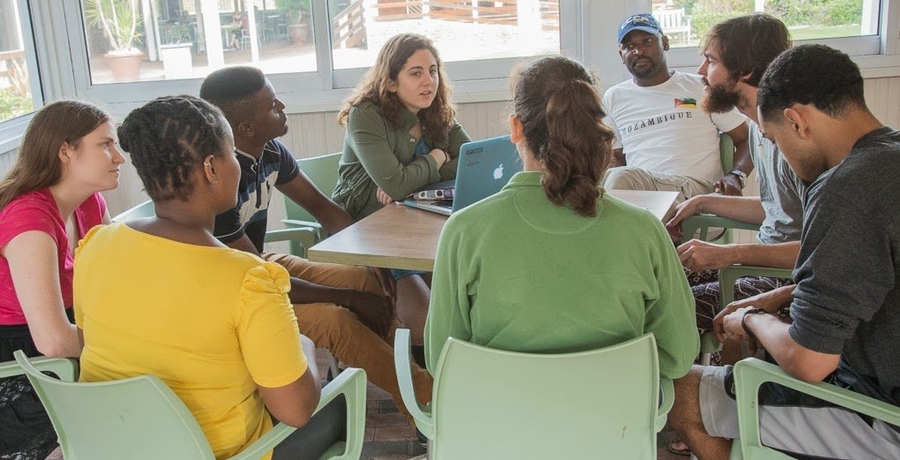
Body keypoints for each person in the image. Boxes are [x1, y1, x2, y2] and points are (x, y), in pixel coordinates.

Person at [671, 43, 900, 460]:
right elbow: (875, 274)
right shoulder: (890, 159)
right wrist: (779, 295)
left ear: (796, 121)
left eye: (774, 138)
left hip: (884, 418)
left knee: (682, 391)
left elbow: (810, 362)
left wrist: (752, 317)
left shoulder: (845, 188)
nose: (784, 157)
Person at [75, 95, 330, 460]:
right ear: (211, 168)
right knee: (335, 402)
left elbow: (92, 348)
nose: (238, 166)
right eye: (232, 154)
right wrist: (304, 347)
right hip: (217, 452)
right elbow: (296, 410)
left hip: (117, 445)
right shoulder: (248, 279)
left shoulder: (96, 245)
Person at [425, 55, 699, 378]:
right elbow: (678, 356)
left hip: (498, 424)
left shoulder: (463, 231)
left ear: (516, 128)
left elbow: (440, 359)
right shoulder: (645, 230)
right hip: (614, 425)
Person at [198, 66, 432, 420]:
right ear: (245, 127)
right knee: (336, 319)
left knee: (372, 283)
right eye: (271, 105)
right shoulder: (220, 180)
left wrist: (373, 261)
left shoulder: (272, 151)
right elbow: (257, 282)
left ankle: (411, 395)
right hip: (231, 290)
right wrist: (347, 298)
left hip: (260, 263)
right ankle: (427, 396)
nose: (282, 105)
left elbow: (325, 210)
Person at [664, 14, 802, 356]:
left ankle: (689, 392)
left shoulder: (797, 139)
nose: (700, 72)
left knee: (666, 311)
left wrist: (729, 253)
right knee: (658, 279)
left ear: (745, 72)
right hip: (759, 266)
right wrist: (702, 203)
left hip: (787, 282)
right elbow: (776, 209)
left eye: (710, 61)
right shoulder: (756, 126)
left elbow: (820, 252)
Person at [0, 100, 123, 459]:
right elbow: (53, 341)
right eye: (105, 145)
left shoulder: (89, 202)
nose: (119, 158)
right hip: (20, 361)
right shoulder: (28, 218)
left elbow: (113, 283)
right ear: (65, 152)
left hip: (65, 341)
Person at [333, 33, 471, 349]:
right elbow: (395, 184)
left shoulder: (436, 108)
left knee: (462, 302)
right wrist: (437, 156)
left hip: (419, 219)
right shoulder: (365, 114)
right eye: (416, 73)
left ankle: (444, 374)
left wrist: (409, 182)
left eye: (433, 70)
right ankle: (416, 378)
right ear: (391, 82)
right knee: (426, 317)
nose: (429, 81)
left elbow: (470, 159)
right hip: (370, 225)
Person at [603, 13, 751, 202]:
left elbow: (746, 139)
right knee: (606, 181)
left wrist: (736, 176)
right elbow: (616, 158)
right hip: (640, 195)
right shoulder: (614, 97)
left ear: (664, 43)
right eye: (629, 46)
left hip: (696, 192)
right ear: (621, 55)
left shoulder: (701, 86)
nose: (638, 51)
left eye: (647, 41)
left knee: (620, 179)